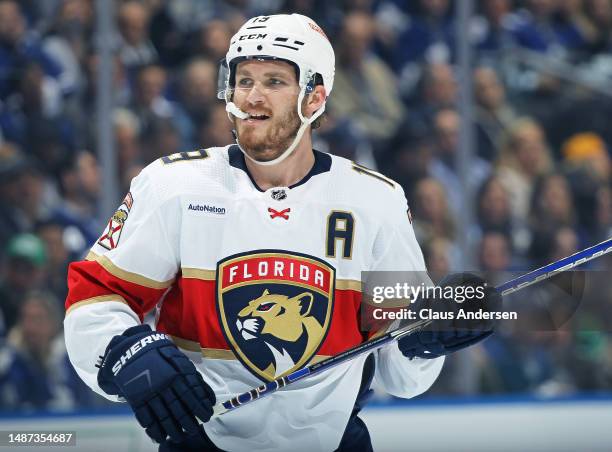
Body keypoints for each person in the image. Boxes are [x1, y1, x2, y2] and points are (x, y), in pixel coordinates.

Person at [64, 14, 499, 451]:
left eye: (274, 81)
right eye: (243, 80)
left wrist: (419, 341)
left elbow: (399, 376)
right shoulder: (174, 185)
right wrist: (125, 352)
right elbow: (95, 298)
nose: (251, 97)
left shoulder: (375, 201)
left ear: (315, 97)